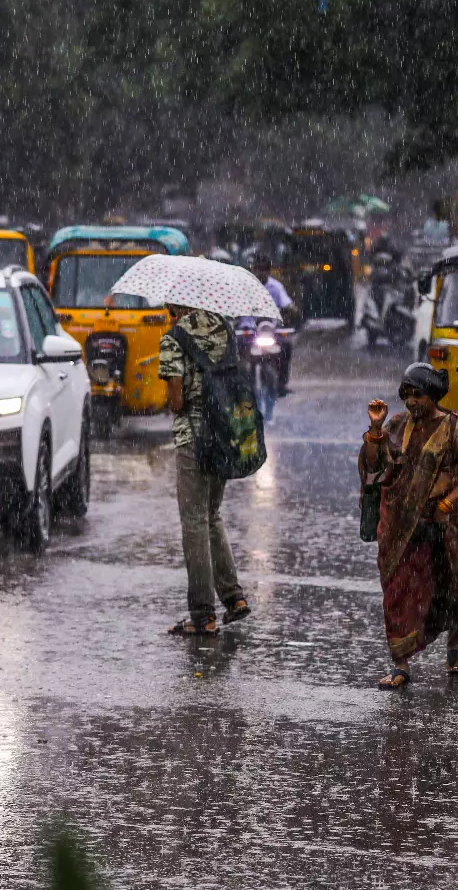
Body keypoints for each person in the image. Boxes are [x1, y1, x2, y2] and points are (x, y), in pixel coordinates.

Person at [359, 363, 458, 689]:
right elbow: (374, 467)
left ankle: (456, 647)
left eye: (419, 395)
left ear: (433, 394)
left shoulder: (453, 426)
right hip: (399, 528)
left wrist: (448, 502)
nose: (412, 402)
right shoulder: (398, 425)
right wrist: (375, 429)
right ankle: (400, 663)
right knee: (397, 592)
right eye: (408, 395)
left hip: (439, 526)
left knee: (448, 587)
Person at [160, 303, 250, 636]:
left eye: (170, 303)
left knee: (195, 521)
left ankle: (203, 614)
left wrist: (173, 395)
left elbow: (177, 401)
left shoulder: (174, 337)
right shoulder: (224, 329)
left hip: (193, 438)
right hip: (224, 435)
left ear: (178, 303)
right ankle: (233, 597)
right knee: (212, 514)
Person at [248, 253, 298, 394]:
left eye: (263, 269)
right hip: (250, 327)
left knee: (286, 346)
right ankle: (242, 383)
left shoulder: (276, 287)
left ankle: (282, 383)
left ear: (268, 270)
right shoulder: (246, 287)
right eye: (257, 269)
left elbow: (286, 302)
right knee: (237, 347)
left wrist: (292, 308)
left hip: (272, 327)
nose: (260, 272)